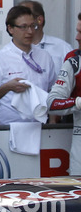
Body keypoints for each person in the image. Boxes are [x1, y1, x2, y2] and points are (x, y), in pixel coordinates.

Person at [0, 5, 56, 125]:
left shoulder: (45, 57)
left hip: (41, 129)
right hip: (8, 130)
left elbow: (53, 92)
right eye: (23, 27)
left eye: (33, 26)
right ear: (10, 28)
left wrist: (52, 123)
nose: (30, 31)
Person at [46, 12, 81, 173]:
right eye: (77, 31)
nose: (77, 37)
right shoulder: (74, 61)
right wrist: (78, 102)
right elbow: (52, 103)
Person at [19, 0, 73, 75]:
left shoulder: (62, 48)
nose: (20, 21)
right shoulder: (9, 52)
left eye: (25, 16)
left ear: (39, 20)